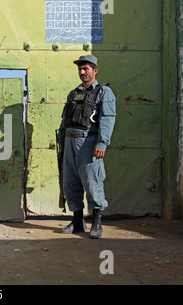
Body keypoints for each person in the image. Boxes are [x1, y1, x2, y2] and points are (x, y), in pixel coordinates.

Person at [57, 55, 116, 239]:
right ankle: (77, 222)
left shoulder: (104, 92)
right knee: (70, 183)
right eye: (80, 69)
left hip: (88, 142)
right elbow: (65, 120)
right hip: (69, 142)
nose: (82, 72)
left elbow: (107, 118)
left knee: (92, 181)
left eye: (86, 69)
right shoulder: (73, 93)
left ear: (95, 70)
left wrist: (102, 142)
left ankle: (97, 221)